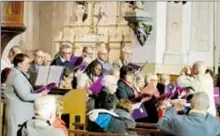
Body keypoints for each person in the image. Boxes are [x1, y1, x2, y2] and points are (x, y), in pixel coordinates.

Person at [4, 53, 47, 136]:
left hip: (20, 112)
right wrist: (40, 95)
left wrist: (39, 90)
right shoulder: (17, 75)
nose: (29, 66)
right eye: (27, 63)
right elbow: (25, 96)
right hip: (18, 113)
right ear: (19, 64)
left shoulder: (17, 73)